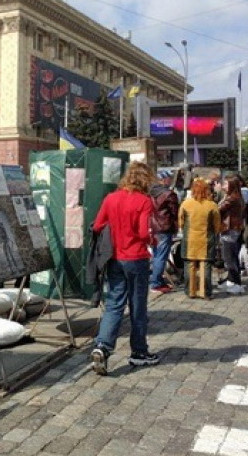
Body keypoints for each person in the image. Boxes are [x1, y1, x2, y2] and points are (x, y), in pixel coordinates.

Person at [90, 161, 158, 376]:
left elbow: (98, 224)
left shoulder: (111, 198)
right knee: (138, 306)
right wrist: (152, 238)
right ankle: (139, 352)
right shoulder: (144, 201)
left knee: (114, 304)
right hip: (136, 257)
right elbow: (142, 232)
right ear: (146, 179)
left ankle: (102, 346)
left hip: (114, 258)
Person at [178, 178, 221, 299]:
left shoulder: (186, 204)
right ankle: (205, 292)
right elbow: (217, 224)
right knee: (205, 265)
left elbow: (181, 222)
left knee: (189, 265)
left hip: (189, 239)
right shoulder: (211, 205)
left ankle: (190, 291)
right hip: (206, 239)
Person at [149, 170, 179, 294]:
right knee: (161, 256)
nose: (171, 180)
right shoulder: (169, 194)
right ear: (163, 179)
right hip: (164, 227)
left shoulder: (150, 193)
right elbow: (174, 212)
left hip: (153, 226)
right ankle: (155, 283)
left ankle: (157, 280)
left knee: (156, 255)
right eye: (169, 178)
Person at [217, 175, 245, 293]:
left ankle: (237, 283)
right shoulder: (232, 196)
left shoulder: (232, 198)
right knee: (230, 256)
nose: (223, 186)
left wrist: (217, 192)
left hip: (230, 230)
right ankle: (231, 280)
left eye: (225, 184)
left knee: (230, 258)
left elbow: (217, 209)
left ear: (232, 185)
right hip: (231, 229)